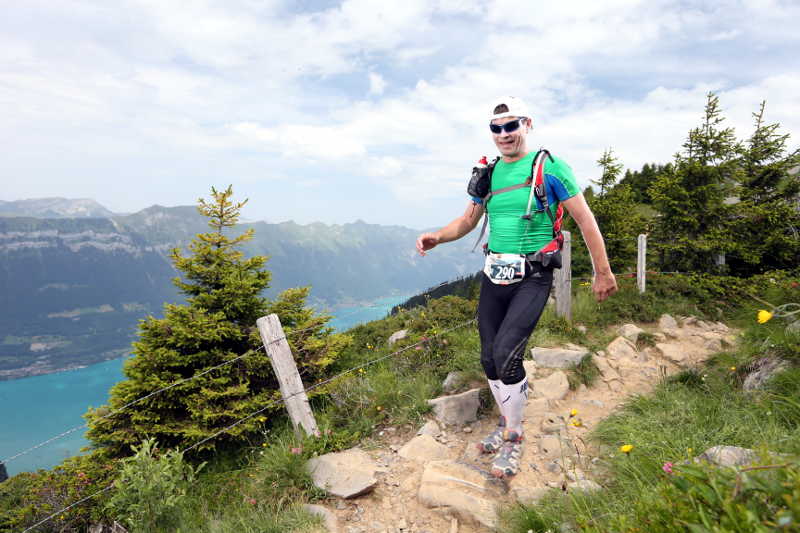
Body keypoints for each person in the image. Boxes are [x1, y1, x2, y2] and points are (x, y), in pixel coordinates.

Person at [415, 96, 617, 478]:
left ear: (527, 124)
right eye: (497, 128)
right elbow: (466, 221)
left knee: (508, 353)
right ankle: (507, 419)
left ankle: (513, 435)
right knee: (489, 357)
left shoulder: (549, 167)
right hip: (494, 274)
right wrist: (437, 238)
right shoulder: (489, 174)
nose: (504, 134)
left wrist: (602, 271)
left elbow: (585, 220)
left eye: (511, 125)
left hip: (533, 274)